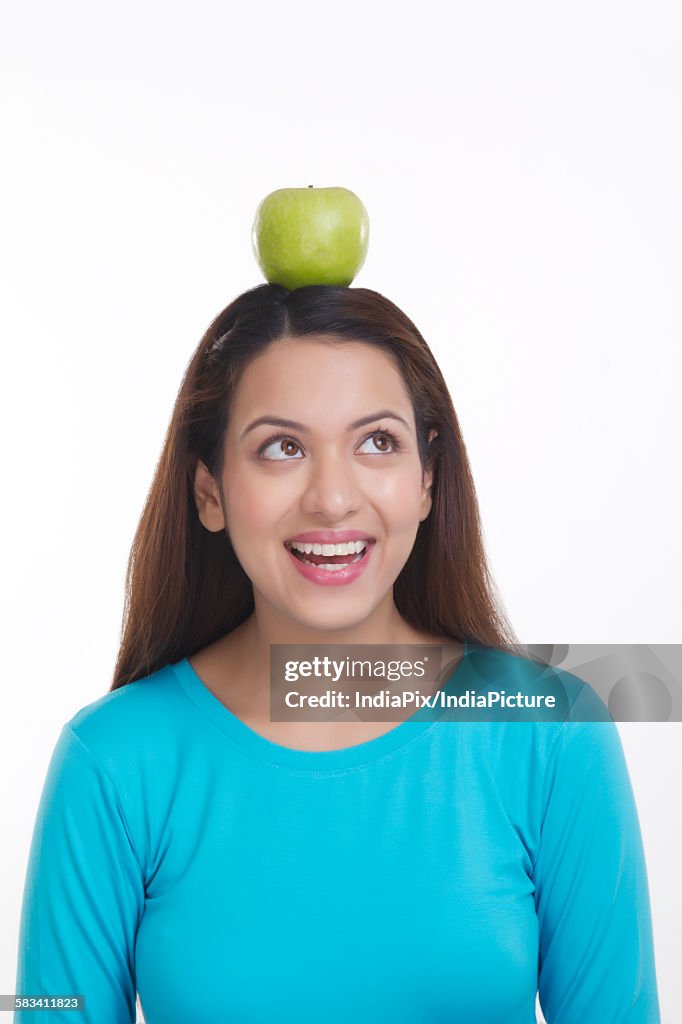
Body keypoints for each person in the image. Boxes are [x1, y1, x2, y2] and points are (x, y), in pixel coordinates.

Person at [14, 284, 660, 1023]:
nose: (331, 498)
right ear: (209, 493)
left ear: (426, 478)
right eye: (281, 448)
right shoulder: (111, 762)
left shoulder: (553, 733)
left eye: (377, 442)